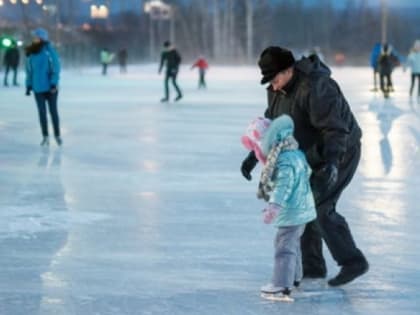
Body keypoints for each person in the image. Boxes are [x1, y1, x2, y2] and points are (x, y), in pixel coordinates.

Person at [240, 46, 369, 286]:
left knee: (320, 207)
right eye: (269, 81)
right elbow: (273, 124)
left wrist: (332, 163)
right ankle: (313, 268)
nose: (273, 86)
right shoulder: (276, 90)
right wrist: (253, 155)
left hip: (340, 150)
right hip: (309, 154)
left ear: (288, 70)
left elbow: (335, 129)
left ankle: (353, 261)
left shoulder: (317, 87)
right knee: (302, 206)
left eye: (275, 78)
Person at [241, 115, 316, 302]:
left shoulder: (283, 160)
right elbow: (307, 172)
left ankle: (281, 285)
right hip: (302, 208)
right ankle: (295, 277)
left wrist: (273, 207)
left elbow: (283, 186)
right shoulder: (295, 153)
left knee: (284, 248)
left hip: (292, 211)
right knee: (293, 245)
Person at [25, 28, 62, 146]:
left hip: (51, 88)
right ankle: (45, 136)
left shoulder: (49, 51)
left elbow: (56, 68)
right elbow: (29, 71)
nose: (34, 39)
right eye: (34, 37)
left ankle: (57, 135)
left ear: (42, 38)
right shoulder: (31, 53)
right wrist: (28, 85)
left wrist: (53, 83)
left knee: (53, 111)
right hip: (37, 88)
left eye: (36, 37)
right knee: (41, 112)